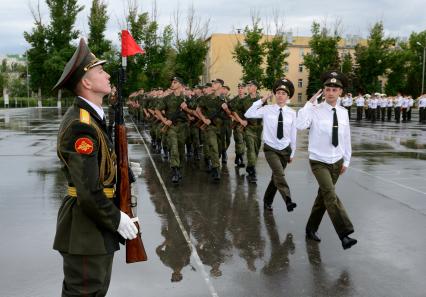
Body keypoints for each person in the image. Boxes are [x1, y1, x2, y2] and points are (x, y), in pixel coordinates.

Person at [52, 38, 138, 296]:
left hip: (94, 227)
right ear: (87, 83)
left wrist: (124, 170)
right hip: (86, 228)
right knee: (86, 292)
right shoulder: (82, 125)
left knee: (95, 290)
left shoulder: (92, 118)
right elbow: (88, 190)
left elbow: (97, 165)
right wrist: (116, 218)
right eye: (100, 71)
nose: (108, 74)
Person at [296, 70, 357, 250]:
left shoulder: (343, 112)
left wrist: (346, 161)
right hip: (319, 161)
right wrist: (308, 104)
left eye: (334, 89)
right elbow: (300, 125)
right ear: (323, 91)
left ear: (340, 92)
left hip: (337, 161)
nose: (331, 92)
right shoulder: (314, 110)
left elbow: (346, 138)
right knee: (330, 195)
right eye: (328, 89)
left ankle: (310, 228)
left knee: (322, 198)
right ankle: (344, 233)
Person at [244, 78, 297, 212]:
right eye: (278, 92)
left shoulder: (292, 113)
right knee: (279, 174)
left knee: (276, 177)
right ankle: (288, 200)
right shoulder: (266, 109)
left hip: (285, 149)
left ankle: (267, 200)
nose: (280, 95)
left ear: (288, 96)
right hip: (271, 149)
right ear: (274, 94)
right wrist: (261, 100)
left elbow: (293, 134)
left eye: (284, 93)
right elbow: (248, 113)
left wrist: (292, 152)